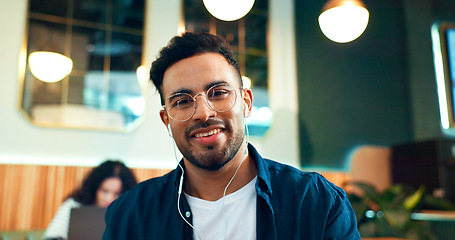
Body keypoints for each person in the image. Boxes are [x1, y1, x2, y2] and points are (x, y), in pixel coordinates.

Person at [103, 32, 361, 240]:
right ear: (166, 120)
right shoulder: (130, 216)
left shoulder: (317, 203)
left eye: (218, 93)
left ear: (246, 103)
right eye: (182, 101)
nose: (203, 113)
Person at [43, 160, 137, 240]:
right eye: (104, 191)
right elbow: (51, 237)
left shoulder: (130, 213)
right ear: (94, 188)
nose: (109, 198)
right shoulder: (74, 205)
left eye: (117, 193)